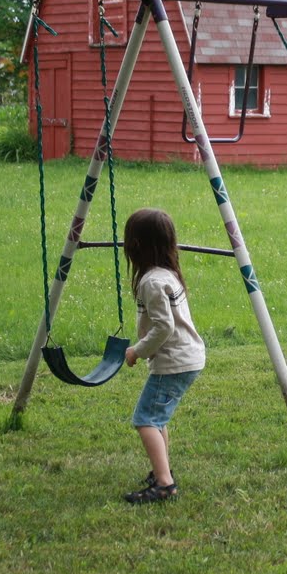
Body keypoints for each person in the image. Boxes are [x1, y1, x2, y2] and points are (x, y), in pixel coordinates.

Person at [120, 208, 206, 504]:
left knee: (145, 420)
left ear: (137, 246)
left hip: (175, 362)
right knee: (157, 418)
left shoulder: (152, 282)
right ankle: (161, 472)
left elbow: (163, 327)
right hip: (187, 358)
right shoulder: (166, 274)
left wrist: (136, 351)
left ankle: (165, 485)